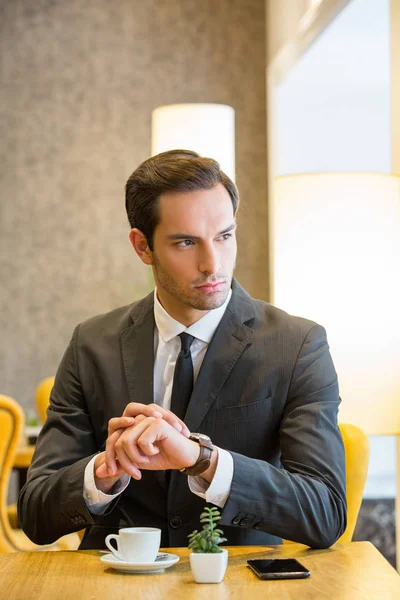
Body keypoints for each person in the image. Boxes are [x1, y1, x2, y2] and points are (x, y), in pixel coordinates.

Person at [18, 149, 346, 550]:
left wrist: (201, 460)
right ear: (142, 247)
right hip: (112, 586)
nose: (213, 264)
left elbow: (326, 513)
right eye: (187, 242)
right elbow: (35, 514)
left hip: (239, 584)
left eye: (225, 236)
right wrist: (104, 472)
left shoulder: (297, 346)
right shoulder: (91, 343)